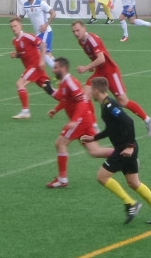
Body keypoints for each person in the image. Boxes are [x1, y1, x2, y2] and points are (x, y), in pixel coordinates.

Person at [80, 77, 151, 225]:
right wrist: (93, 138)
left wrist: (130, 146)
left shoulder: (109, 106)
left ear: (96, 90)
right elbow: (111, 129)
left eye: (91, 90)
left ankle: (130, 203)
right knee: (134, 183)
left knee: (102, 177)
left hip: (124, 150)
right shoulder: (105, 106)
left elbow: (128, 121)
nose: (89, 93)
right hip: (125, 149)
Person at [71, 20, 151, 137]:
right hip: (100, 71)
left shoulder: (92, 40)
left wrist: (86, 67)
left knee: (123, 101)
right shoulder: (81, 41)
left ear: (84, 28)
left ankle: (147, 120)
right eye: (73, 31)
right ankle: (93, 126)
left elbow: (102, 59)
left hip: (110, 72)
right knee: (85, 96)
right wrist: (92, 67)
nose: (75, 33)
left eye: (77, 30)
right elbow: (96, 58)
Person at [45, 57, 109, 188]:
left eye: (55, 67)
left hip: (80, 120)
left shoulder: (70, 82)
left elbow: (82, 101)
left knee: (60, 143)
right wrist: (55, 110)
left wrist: (74, 121)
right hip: (85, 119)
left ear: (63, 68)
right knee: (94, 151)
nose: (53, 70)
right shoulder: (64, 82)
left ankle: (62, 180)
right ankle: (123, 155)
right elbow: (65, 100)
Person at [9, 17, 55, 119]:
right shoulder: (15, 41)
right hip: (32, 68)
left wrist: (42, 60)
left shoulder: (27, 36)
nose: (13, 28)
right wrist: (16, 55)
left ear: (21, 26)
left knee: (20, 84)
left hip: (35, 66)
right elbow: (23, 54)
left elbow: (43, 44)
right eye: (11, 27)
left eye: (15, 26)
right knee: (49, 89)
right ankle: (71, 99)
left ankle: (25, 111)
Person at [19, 0, 56, 69]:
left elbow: (53, 13)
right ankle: (59, 69)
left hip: (45, 32)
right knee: (47, 54)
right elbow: (20, 18)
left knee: (43, 53)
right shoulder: (25, 5)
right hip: (38, 34)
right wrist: (15, 23)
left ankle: (59, 72)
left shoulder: (41, 3)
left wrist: (46, 25)